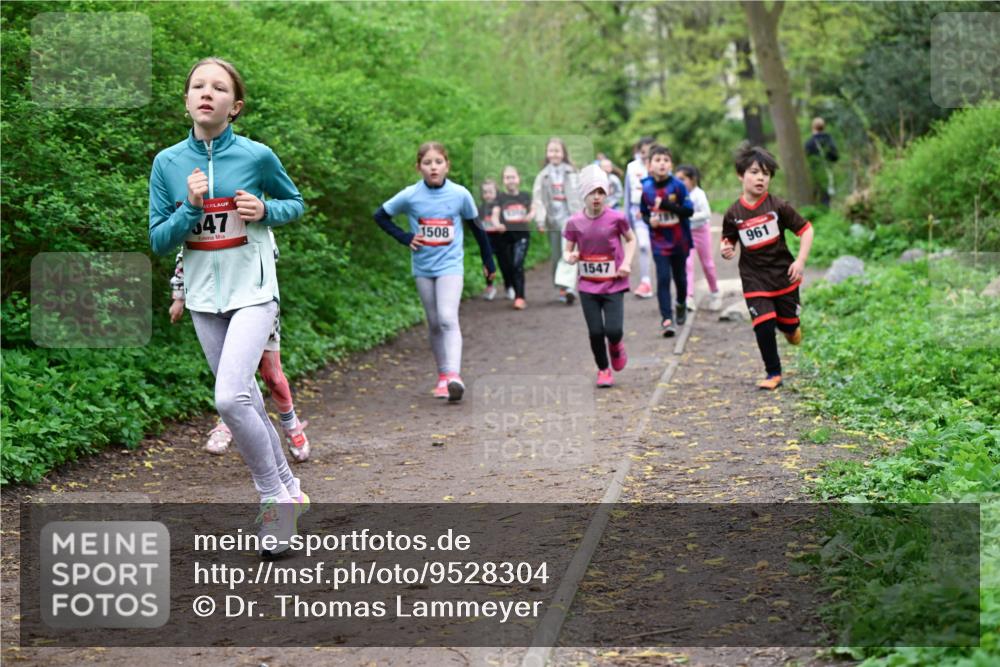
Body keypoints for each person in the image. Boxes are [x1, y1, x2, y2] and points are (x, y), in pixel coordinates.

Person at [149, 57, 308, 558]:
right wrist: (189, 209)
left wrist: (266, 210)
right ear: (187, 100)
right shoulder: (168, 164)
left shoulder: (258, 156)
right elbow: (158, 238)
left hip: (255, 292)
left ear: (233, 106)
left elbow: (296, 203)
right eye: (198, 85)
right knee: (247, 399)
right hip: (203, 298)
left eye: (219, 88)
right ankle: (290, 489)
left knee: (228, 399)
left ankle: (273, 504)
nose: (207, 93)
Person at [168, 233, 311, 461]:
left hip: (255, 305)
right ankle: (227, 423)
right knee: (231, 369)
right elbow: (186, 256)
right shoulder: (204, 223)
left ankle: (291, 425)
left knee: (271, 376)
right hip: (218, 307)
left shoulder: (257, 225)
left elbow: (268, 259)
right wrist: (179, 297)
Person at [373, 142, 496, 401]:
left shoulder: (460, 194)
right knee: (434, 323)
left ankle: (454, 376)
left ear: (447, 165)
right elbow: (380, 216)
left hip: (451, 266)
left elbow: (477, 228)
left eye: (438, 162)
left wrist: (488, 262)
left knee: (447, 317)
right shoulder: (410, 195)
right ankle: (442, 377)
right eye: (427, 163)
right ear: (419, 167)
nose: (433, 167)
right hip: (423, 268)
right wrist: (405, 237)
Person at [721, 143, 814, 390]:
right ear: (741, 175)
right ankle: (773, 373)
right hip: (754, 278)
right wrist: (726, 247)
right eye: (754, 172)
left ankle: (791, 327)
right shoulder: (733, 212)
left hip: (784, 276)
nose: (760, 177)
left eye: (766, 173)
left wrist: (801, 261)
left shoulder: (778, 206)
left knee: (789, 329)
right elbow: (728, 238)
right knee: (763, 323)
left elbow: (806, 230)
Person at [564, 164, 636, 387]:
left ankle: (616, 345)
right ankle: (603, 369)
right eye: (592, 193)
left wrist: (626, 263)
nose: (596, 197)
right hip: (588, 286)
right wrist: (571, 257)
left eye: (601, 192)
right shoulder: (574, 222)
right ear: (583, 195)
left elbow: (631, 240)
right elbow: (568, 250)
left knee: (613, 330)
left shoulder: (617, 218)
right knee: (595, 332)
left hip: (614, 283)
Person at [639, 145, 694, 337]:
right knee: (662, 278)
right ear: (649, 165)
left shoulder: (677, 186)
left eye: (666, 160)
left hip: (679, 241)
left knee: (680, 278)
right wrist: (649, 221)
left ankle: (681, 303)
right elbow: (644, 213)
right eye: (657, 160)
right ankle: (666, 319)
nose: (662, 164)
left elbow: (689, 211)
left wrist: (667, 205)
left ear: (670, 164)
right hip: (659, 242)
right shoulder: (646, 187)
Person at [532, 138, 582, 305]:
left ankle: (569, 288)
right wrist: (540, 221)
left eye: (557, 151)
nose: (554, 154)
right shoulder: (542, 176)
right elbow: (538, 200)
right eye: (551, 151)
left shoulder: (572, 172)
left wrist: (584, 216)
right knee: (556, 255)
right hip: (553, 220)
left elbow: (581, 195)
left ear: (563, 153)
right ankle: (562, 287)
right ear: (547, 154)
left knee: (567, 250)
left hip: (570, 218)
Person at [676, 165, 722, 312]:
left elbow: (706, 213)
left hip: (701, 232)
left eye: (682, 179)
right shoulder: (678, 194)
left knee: (707, 264)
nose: (679, 182)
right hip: (686, 233)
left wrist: (687, 216)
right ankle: (688, 297)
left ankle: (715, 293)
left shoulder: (699, 194)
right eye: (677, 179)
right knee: (687, 264)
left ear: (693, 179)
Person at [492, 165, 536, 310]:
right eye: (507, 177)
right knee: (509, 267)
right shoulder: (500, 197)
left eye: (513, 177)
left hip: (522, 236)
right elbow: (495, 214)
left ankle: (520, 297)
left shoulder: (524, 196)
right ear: (503, 181)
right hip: (505, 238)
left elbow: (534, 208)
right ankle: (513, 289)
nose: (510, 180)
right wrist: (497, 224)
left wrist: (530, 215)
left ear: (518, 179)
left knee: (518, 265)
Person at [623, 137, 656, 298]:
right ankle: (645, 282)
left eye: (649, 152)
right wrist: (625, 218)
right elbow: (627, 194)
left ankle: (665, 281)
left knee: (660, 250)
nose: (645, 155)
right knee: (643, 246)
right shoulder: (631, 168)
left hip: (658, 214)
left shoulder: (660, 165)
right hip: (638, 213)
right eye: (643, 152)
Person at [478, 179, 508, 301]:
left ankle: (509, 285)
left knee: (504, 264)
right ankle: (490, 287)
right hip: (487, 240)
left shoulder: (501, 208)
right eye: (485, 192)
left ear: (496, 192)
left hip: (500, 239)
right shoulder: (480, 208)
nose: (488, 195)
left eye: (490, 192)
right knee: (487, 264)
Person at [804, 117, 839, 206]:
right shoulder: (829, 140)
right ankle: (826, 215)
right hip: (828, 171)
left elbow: (806, 158)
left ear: (813, 127)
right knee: (826, 197)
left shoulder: (809, 143)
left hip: (814, 173)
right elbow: (835, 157)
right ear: (824, 127)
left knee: (815, 196)